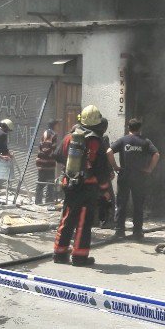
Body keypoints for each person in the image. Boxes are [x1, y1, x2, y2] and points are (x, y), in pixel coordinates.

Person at [52, 105, 113, 266]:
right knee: (83, 222)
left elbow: (57, 155)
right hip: (88, 188)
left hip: (70, 185)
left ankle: (59, 253)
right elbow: (101, 171)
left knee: (67, 218)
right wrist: (105, 191)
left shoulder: (69, 137)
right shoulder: (96, 141)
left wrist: (72, 165)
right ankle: (79, 257)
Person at [108, 118, 160, 240]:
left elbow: (109, 152)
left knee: (121, 202)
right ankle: (137, 231)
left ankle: (119, 231)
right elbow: (156, 154)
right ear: (140, 129)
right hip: (139, 176)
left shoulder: (123, 140)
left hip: (125, 175)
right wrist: (149, 169)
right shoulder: (145, 142)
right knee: (138, 203)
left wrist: (115, 167)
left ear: (128, 128)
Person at [34, 119, 59, 205]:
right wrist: (53, 155)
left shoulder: (47, 133)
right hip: (46, 163)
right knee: (46, 182)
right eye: (57, 125)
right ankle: (44, 201)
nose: (58, 127)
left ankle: (41, 201)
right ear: (54, 125)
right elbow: (46, 148)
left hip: (44, 163)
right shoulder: (51, 134)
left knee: (45, 182)